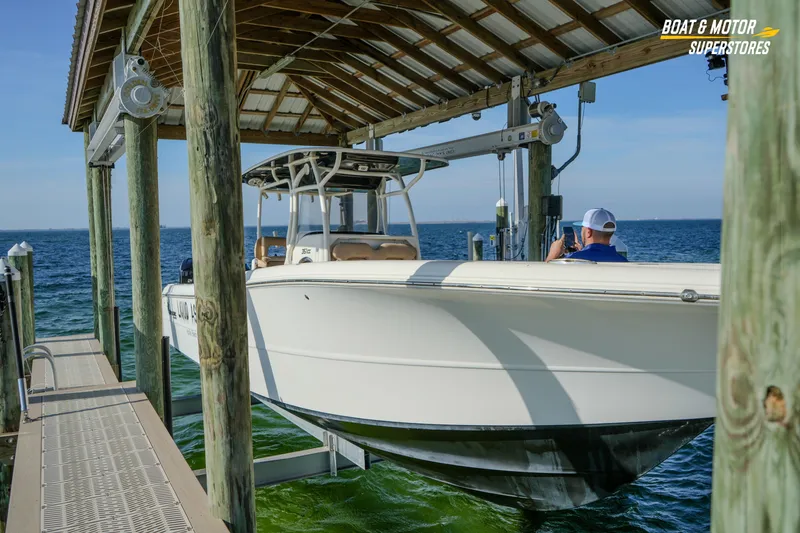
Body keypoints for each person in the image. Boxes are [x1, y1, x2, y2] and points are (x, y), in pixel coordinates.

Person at [545, 208, 628, 263]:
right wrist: (581, 251)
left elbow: (544, 278)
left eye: (582, 228)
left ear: (589, 232)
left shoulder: (572, 260)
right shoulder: (623, 261)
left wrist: (552, 255)